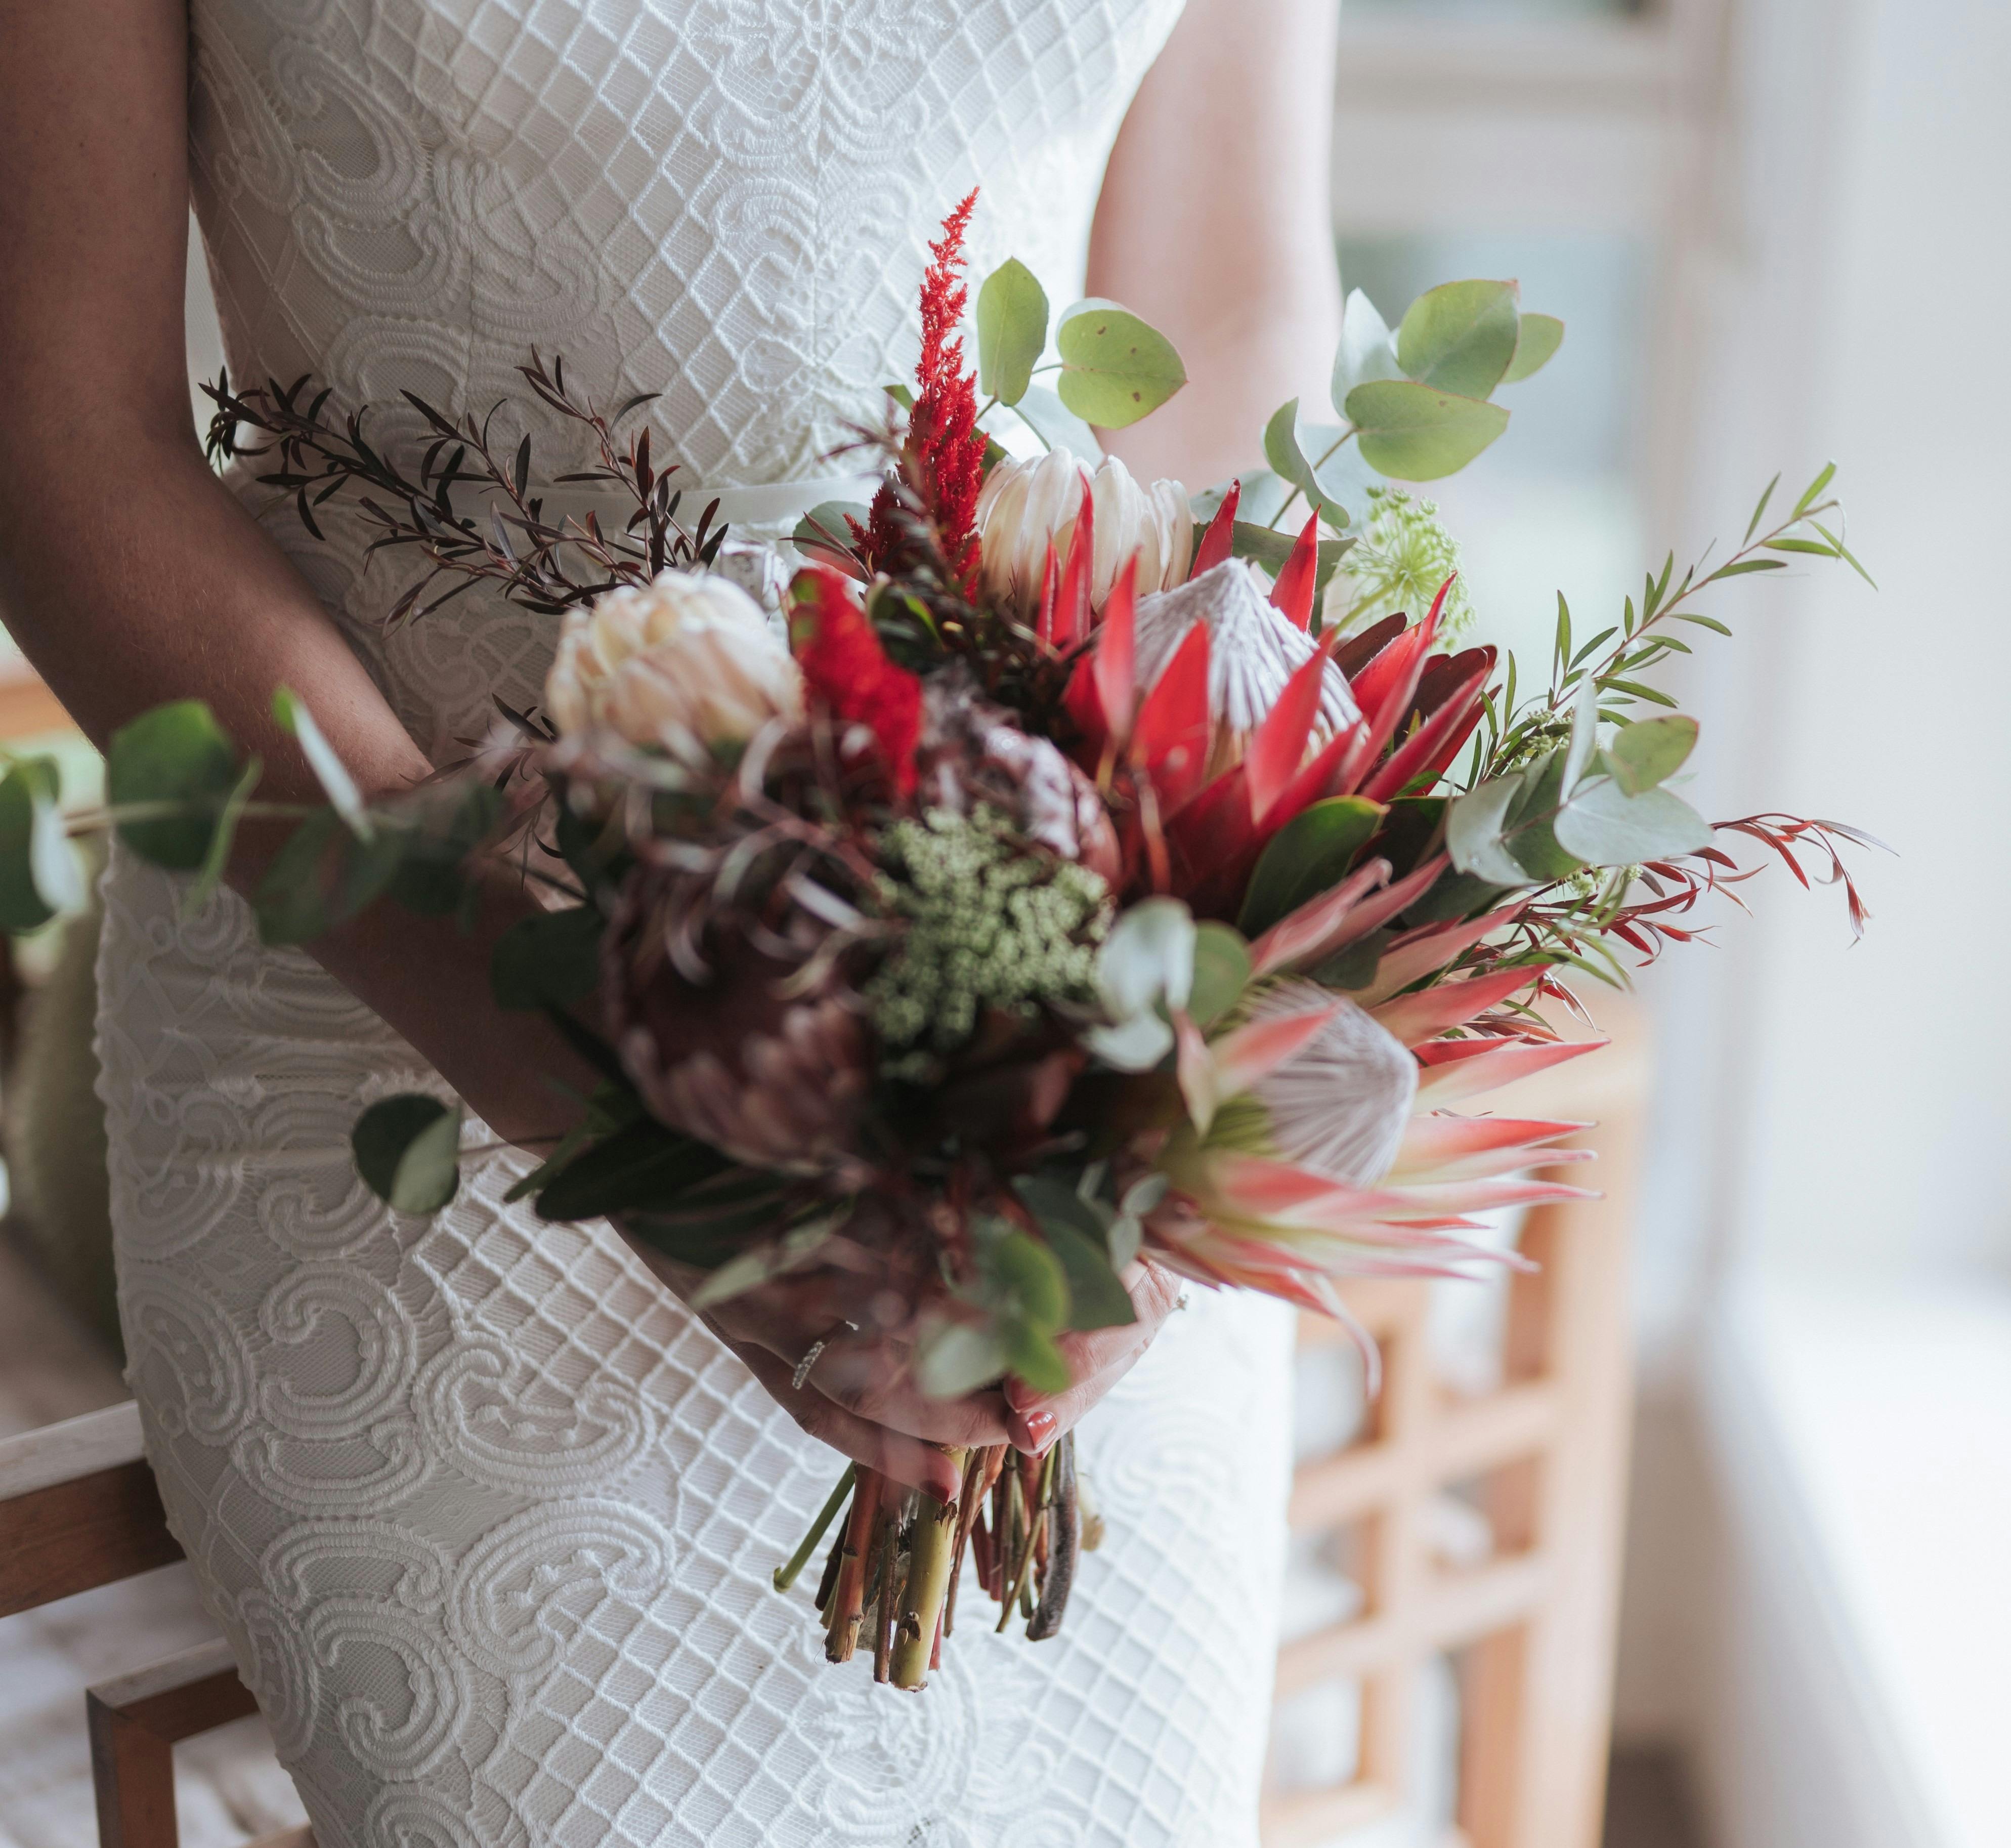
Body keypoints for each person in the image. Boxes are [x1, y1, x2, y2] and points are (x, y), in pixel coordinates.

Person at [0, 2, 1342, 1840]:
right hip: (415, 1040)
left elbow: (1221, 340)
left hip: (1056, 996)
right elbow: (57, 435)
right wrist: (577, 1064)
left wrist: (1136, 1094)